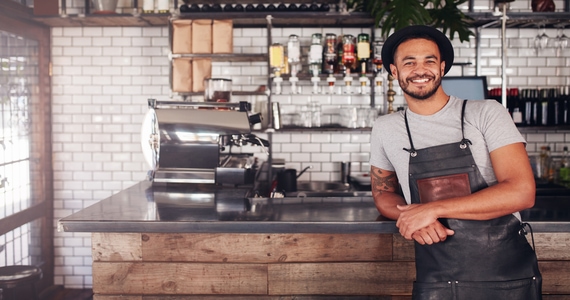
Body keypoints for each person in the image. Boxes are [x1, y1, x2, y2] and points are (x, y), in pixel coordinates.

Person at [369, 25, 542, 299]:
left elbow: (522, 192)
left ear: (442, 67)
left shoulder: (486, 113)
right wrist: (412, 215)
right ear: (394, 71)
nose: (420, 69)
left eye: (429, 60)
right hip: (436, 280)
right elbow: (383, 193)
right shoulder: (386, 128)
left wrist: (430, 210)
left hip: (507, 278)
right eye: (409, 62)